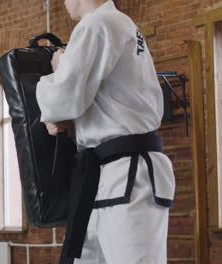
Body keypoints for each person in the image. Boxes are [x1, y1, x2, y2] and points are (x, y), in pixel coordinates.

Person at [36, 0, 175, 263]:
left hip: (127, 171)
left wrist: (57, 69)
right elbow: (97, 101)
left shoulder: (97, 24)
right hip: (103, 172)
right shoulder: (116, 24)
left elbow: (64, 98)